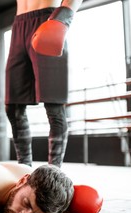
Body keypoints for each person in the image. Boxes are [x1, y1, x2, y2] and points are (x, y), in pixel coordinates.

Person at [5, 0, 83, 167]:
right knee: (13, 106)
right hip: (19, 24)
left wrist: (63, 18)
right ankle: (23, 169)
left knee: (54, 106)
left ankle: (54, 174)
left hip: (48, 19)